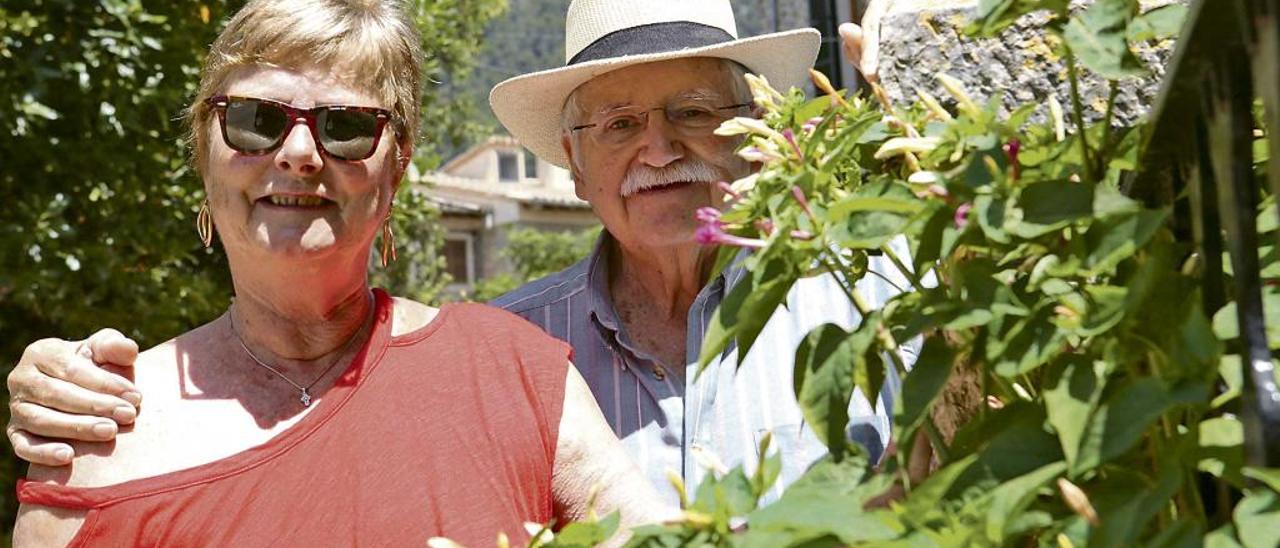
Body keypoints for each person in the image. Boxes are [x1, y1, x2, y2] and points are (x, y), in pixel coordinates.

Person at [6, 0, 912, 511]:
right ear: (574, 165)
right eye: (620, 125)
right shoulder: (519, 346)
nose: (659, 151)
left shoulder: (884, 300)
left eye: (692, 114)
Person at [9, 0, 668, 545]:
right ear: (204, 151)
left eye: (346, 126)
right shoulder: (100, 428)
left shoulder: (514, 373)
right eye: (256, 120)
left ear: (397, 165)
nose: (298, 154)